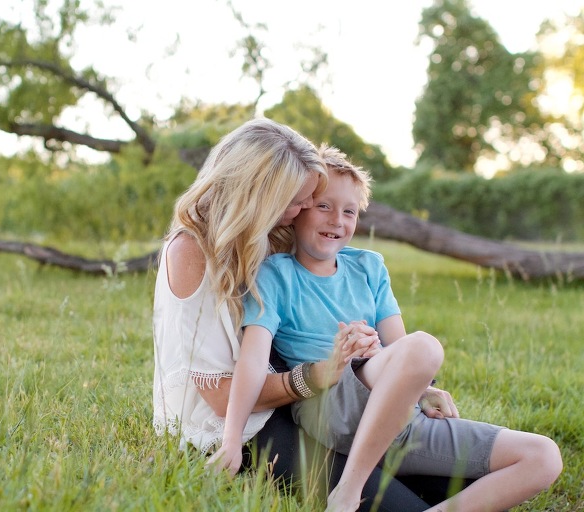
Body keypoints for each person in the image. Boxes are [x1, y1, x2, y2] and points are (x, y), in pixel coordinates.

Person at [208, 144, 564, 511]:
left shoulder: (369, 267)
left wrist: (420, 387)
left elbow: (398, 345)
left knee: (543, 456)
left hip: (399, 418)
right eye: (324, 206)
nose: (337, 220)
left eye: (349, 211)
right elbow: (253, 360)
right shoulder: (275, 275)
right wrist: (232, 440)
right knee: (425, 346)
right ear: (297, 212)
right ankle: (348, 492)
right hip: (330, 406)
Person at [152, 117, 470, 510]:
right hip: (240, 424)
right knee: (397, 505)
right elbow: (220, 399)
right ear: (260, 195)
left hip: (302, 403)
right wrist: (315, 377)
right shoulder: (192, 252)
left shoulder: (269, 232)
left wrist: (411, 382)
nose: (305, 209)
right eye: (298, 200)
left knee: (458, 482)